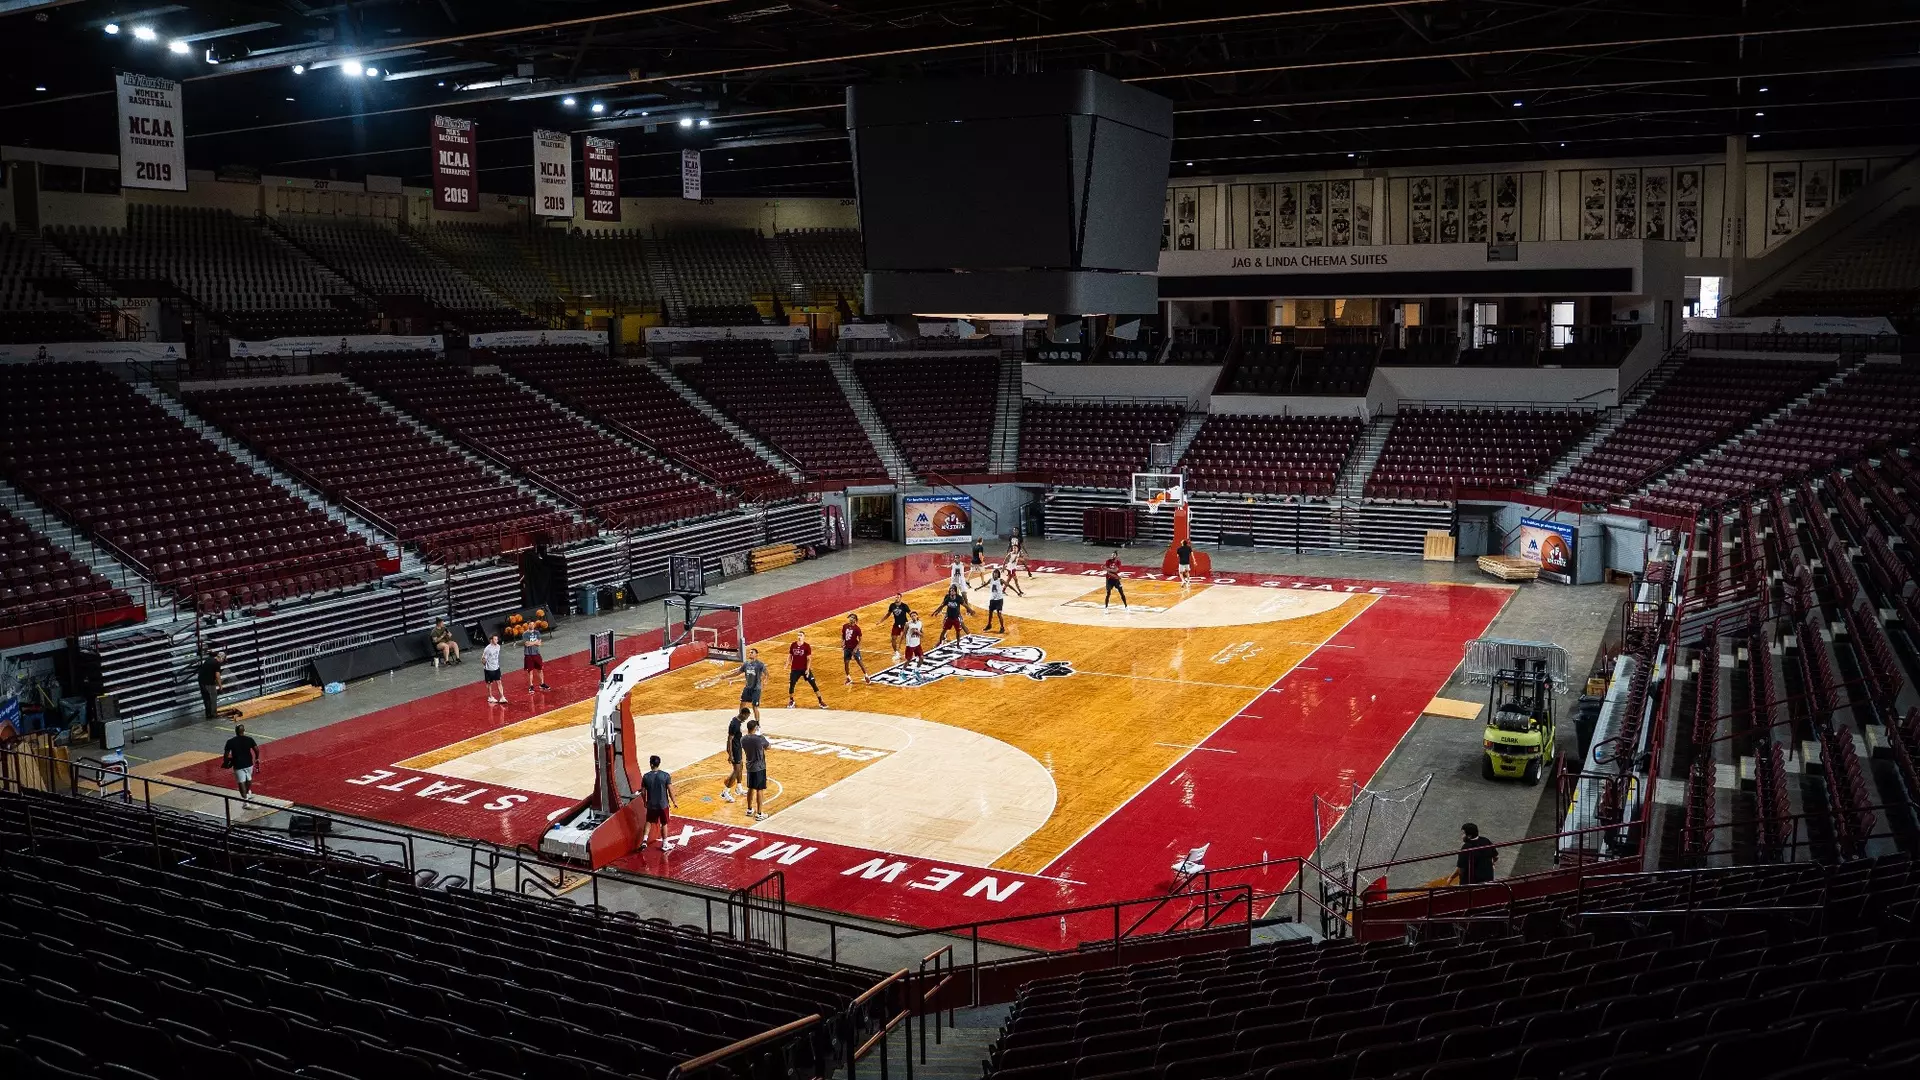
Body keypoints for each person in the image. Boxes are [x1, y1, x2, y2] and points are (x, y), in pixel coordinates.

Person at [639, 755, 677, 850]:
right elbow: (670, 790)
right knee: (664, 823)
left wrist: (645, 802)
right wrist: (674, 801)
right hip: (662, 805)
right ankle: (665, 844)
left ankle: (644, 841)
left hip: (651, 804)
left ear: (651, 764)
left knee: (648, 821)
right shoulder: (665, 775)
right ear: (658, 763)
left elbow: (643, 792)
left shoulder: (646, 777)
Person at [725, 647, 767, 723]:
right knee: (742, 704)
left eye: (752, 652)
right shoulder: (746, 664)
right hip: (747, 688)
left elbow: (767, 674)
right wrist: (726, 676)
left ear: (756, 654)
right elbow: (738, 672)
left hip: (756, 689)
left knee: (754, 707)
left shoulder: (760, 664)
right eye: (749, 652)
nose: (750, 653)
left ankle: (757, 725)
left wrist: (765, 680)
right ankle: (739, 720)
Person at [740, 719, 771, 820]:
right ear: (756, 728)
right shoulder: (759, 738)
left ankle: (749, 809)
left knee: (750, 788)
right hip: (759, 767)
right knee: (759, 789)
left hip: (750, 766)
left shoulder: (743, 739)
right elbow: (768, 747)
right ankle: (759, 813)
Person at [787, 631, 826, 709]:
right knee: (792, 685)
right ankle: (791, 700)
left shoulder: (807, 646)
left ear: (804, 637)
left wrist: (807, 670)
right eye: (798, 635)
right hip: (795, 669)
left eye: (801, 635)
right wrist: (788, 663)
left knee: (813, 684)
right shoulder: (793, 645)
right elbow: (790, 655)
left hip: (804, 669)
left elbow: (809, 659)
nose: (799, 636)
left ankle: (820, 701)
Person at [221, 723, 260, 801]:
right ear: (244, 730)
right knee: (249, 779)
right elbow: (256, 750)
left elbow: (226, 755)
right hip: (249, 763)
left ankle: (245, 798)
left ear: (235, 731)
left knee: (241, 781)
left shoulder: (230, 742)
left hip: (238, 764)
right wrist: (257, 758)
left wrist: (226, 763)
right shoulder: (249, 739)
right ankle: (247, 793)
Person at [720, 707, 748, 803]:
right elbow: (729, 739)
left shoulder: (738, 722)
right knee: (736, 770)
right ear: (743, 714)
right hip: (734, 750)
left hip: (738, 748)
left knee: (741, 767)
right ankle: (725, 791)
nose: (746, 719)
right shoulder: (734, 724)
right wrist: (730, 754)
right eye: (746, 716)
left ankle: (739, 788)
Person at [197, 650, 225, 721]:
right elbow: (217, 676)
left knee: (206, 699)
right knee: (213, 698)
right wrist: (220, 686)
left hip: (201, 682)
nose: (222, 662)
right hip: (208, 683)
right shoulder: (216, 663)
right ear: (221, 658)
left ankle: (208, 715)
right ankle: (213, 714)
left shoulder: (209, 659)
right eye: (223, 660)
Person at [841, 613, 868, 685]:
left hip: (854, 648)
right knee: (846, 663)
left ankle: (866, 675)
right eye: (850, 617)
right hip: (847, 648)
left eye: (852, 618)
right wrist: (843, 642)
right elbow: (843, 635)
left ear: (855, 620)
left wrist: (856, 648)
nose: (850, 619)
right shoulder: (845, 626)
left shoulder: (857, 629)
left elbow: (860, 640)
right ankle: (848, 678)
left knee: (860, 662)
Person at [885, 593, 913, 661]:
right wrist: (880, 621)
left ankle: (911, 652)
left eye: (898, 597)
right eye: (895, 597)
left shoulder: (904, 606)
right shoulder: (892, 605)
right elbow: (888, 614)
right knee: (893, 638)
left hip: (904, 624)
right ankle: (897, 653)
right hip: (896, 624)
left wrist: (914, 621)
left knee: (908, 639)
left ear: (901, 598)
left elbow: (911, 614)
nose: (896, 598)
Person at [523, 628, 550, 692]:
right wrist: (535, 642)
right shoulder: (525, 634)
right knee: (530, 671)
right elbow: (526, 644)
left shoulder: (537, 632)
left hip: (536, 654)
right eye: (530, 624)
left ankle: (542, 684)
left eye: (533, 624)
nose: (532, 625)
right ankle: (531, 686)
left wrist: (531, 643)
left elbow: (539, 643)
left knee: (540, 669)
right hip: (528, 655)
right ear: (528, 625)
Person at [481, 634, 505, 704]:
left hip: (496, 668)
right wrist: (486, 666)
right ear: (491, 640)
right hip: (489, 669)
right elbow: (483, 659)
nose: (496, 641)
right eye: (495, 639)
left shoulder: (498, 646)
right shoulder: (487, 649)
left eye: (497, 639)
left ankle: (502, 697)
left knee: (499, 682)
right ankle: (490, 697)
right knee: (489, 683)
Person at [984, 568, 1009, 633]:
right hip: (992, 599)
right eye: (994, 573)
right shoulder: (991, 580)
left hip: (999, 600)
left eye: (997, 573)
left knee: (999, 614)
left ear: (998, 574)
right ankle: (989, 625)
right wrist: (978, 588)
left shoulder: (1000, 580)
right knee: (990, 614)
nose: (995, 574)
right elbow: (985, 584)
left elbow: (1008, 585)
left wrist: (1017, 591)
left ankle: (1002, 627)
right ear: (993, 574)